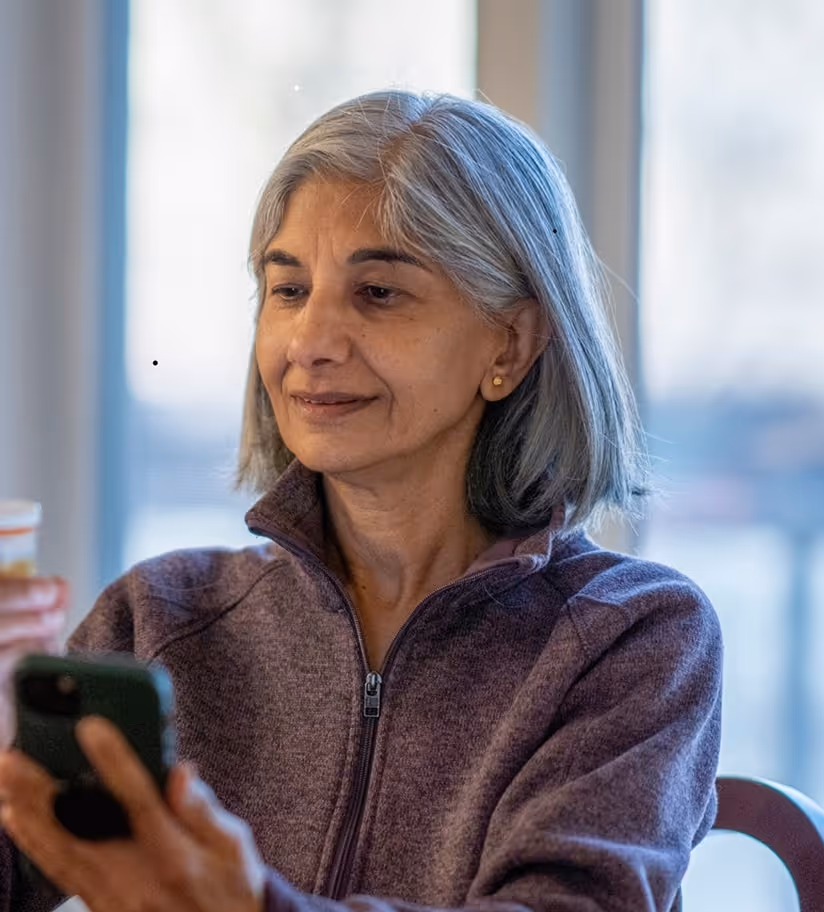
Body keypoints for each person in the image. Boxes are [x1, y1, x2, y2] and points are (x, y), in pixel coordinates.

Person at [0, 88, 722, 912]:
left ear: (511, 343)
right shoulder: (160, 618)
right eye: (289, 290)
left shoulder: (635, 636)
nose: (310, 343)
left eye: (377, 293)